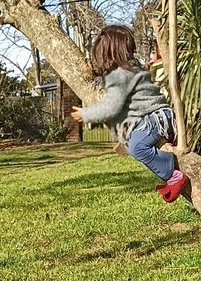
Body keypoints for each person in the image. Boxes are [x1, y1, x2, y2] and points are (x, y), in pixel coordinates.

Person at [70, 24, 190, 202]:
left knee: (137, 148)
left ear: (109, 54)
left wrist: (86, 114)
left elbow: (111, 106)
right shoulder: (134, 68)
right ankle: (169, 172)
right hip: (161, 117)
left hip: (154, 119)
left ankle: (172, 174)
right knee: (134, 144)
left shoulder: (121, 74)